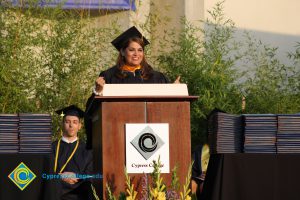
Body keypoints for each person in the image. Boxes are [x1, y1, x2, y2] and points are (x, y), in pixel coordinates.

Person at [85, 26, 179, 149]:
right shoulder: (109, 77)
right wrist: (98, 91)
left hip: (153, 140)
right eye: (131, 50)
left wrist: (175, 91)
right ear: (123, 52)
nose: (136, 54)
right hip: (118, 140)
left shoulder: (156, 77)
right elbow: (91, 112)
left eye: (140, 50)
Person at [52, 105, 94, 200]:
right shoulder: (52, 148)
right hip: (56, 194)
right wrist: (60, 176)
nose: (71, 125)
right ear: (62, 124)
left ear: (80, 126)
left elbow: (90, 174)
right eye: (67, 122)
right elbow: (44, 171)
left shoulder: (87, 150)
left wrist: (77, 176)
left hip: (79, 194)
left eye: (75, 122)